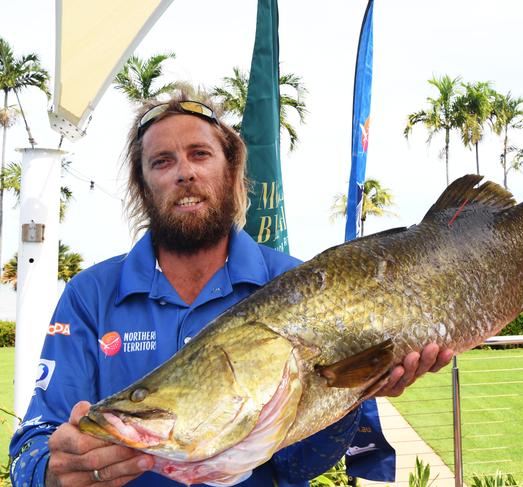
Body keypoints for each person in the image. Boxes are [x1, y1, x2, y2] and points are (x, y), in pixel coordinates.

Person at [10, 92, 453, 487]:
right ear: (143, 187)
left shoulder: (300, 285)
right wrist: (53, 472)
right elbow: (30, 445)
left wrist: (350, 394)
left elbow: (301, 468)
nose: (184, 173)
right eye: (162, 161)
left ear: (231, 171)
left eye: (199, 154)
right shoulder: (91, 295)